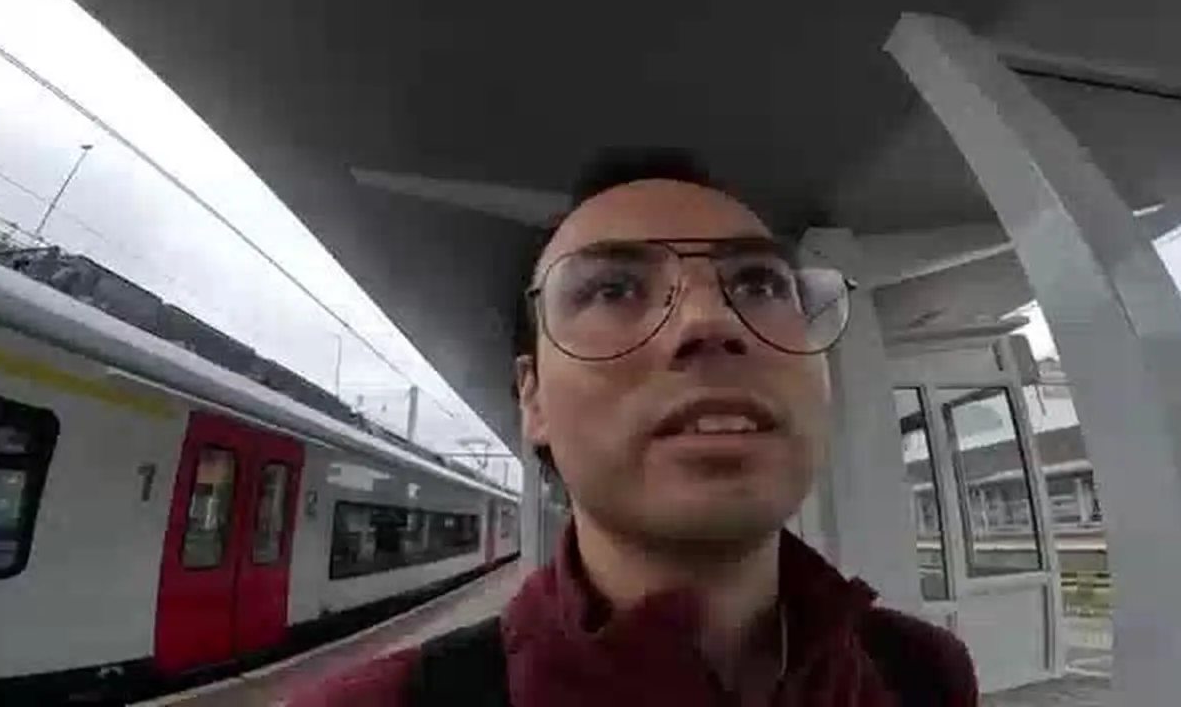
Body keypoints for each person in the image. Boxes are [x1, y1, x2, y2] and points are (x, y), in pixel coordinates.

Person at [286, 149, 978, 706]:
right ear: (533, 398)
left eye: (760, 285)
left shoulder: (925, 674)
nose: (710, 320)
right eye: (614, 289)